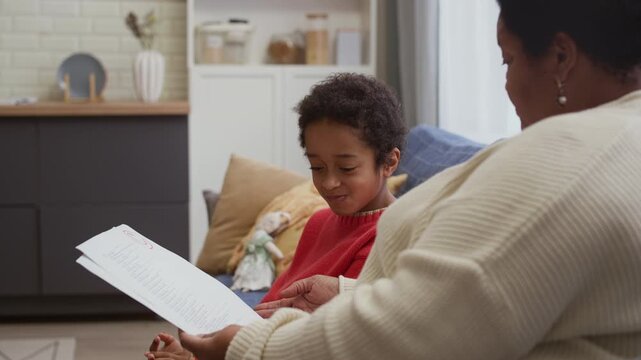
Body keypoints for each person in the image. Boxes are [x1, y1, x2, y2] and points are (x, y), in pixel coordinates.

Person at [153, 0, 641, 357]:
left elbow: (412, 335)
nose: (507, 83)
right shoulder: (614, 141)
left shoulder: (569, 162)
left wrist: (249, 350)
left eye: (507, 59)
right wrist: (348, 294)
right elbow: (468, 300)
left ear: (561, 58)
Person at [144, 73, 407, 359]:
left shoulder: (389, 236)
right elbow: (270, 310)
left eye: (346, 168)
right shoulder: (318, 222)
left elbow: (330, 345)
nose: (329, 182)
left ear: (389, 162)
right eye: (317, 167)